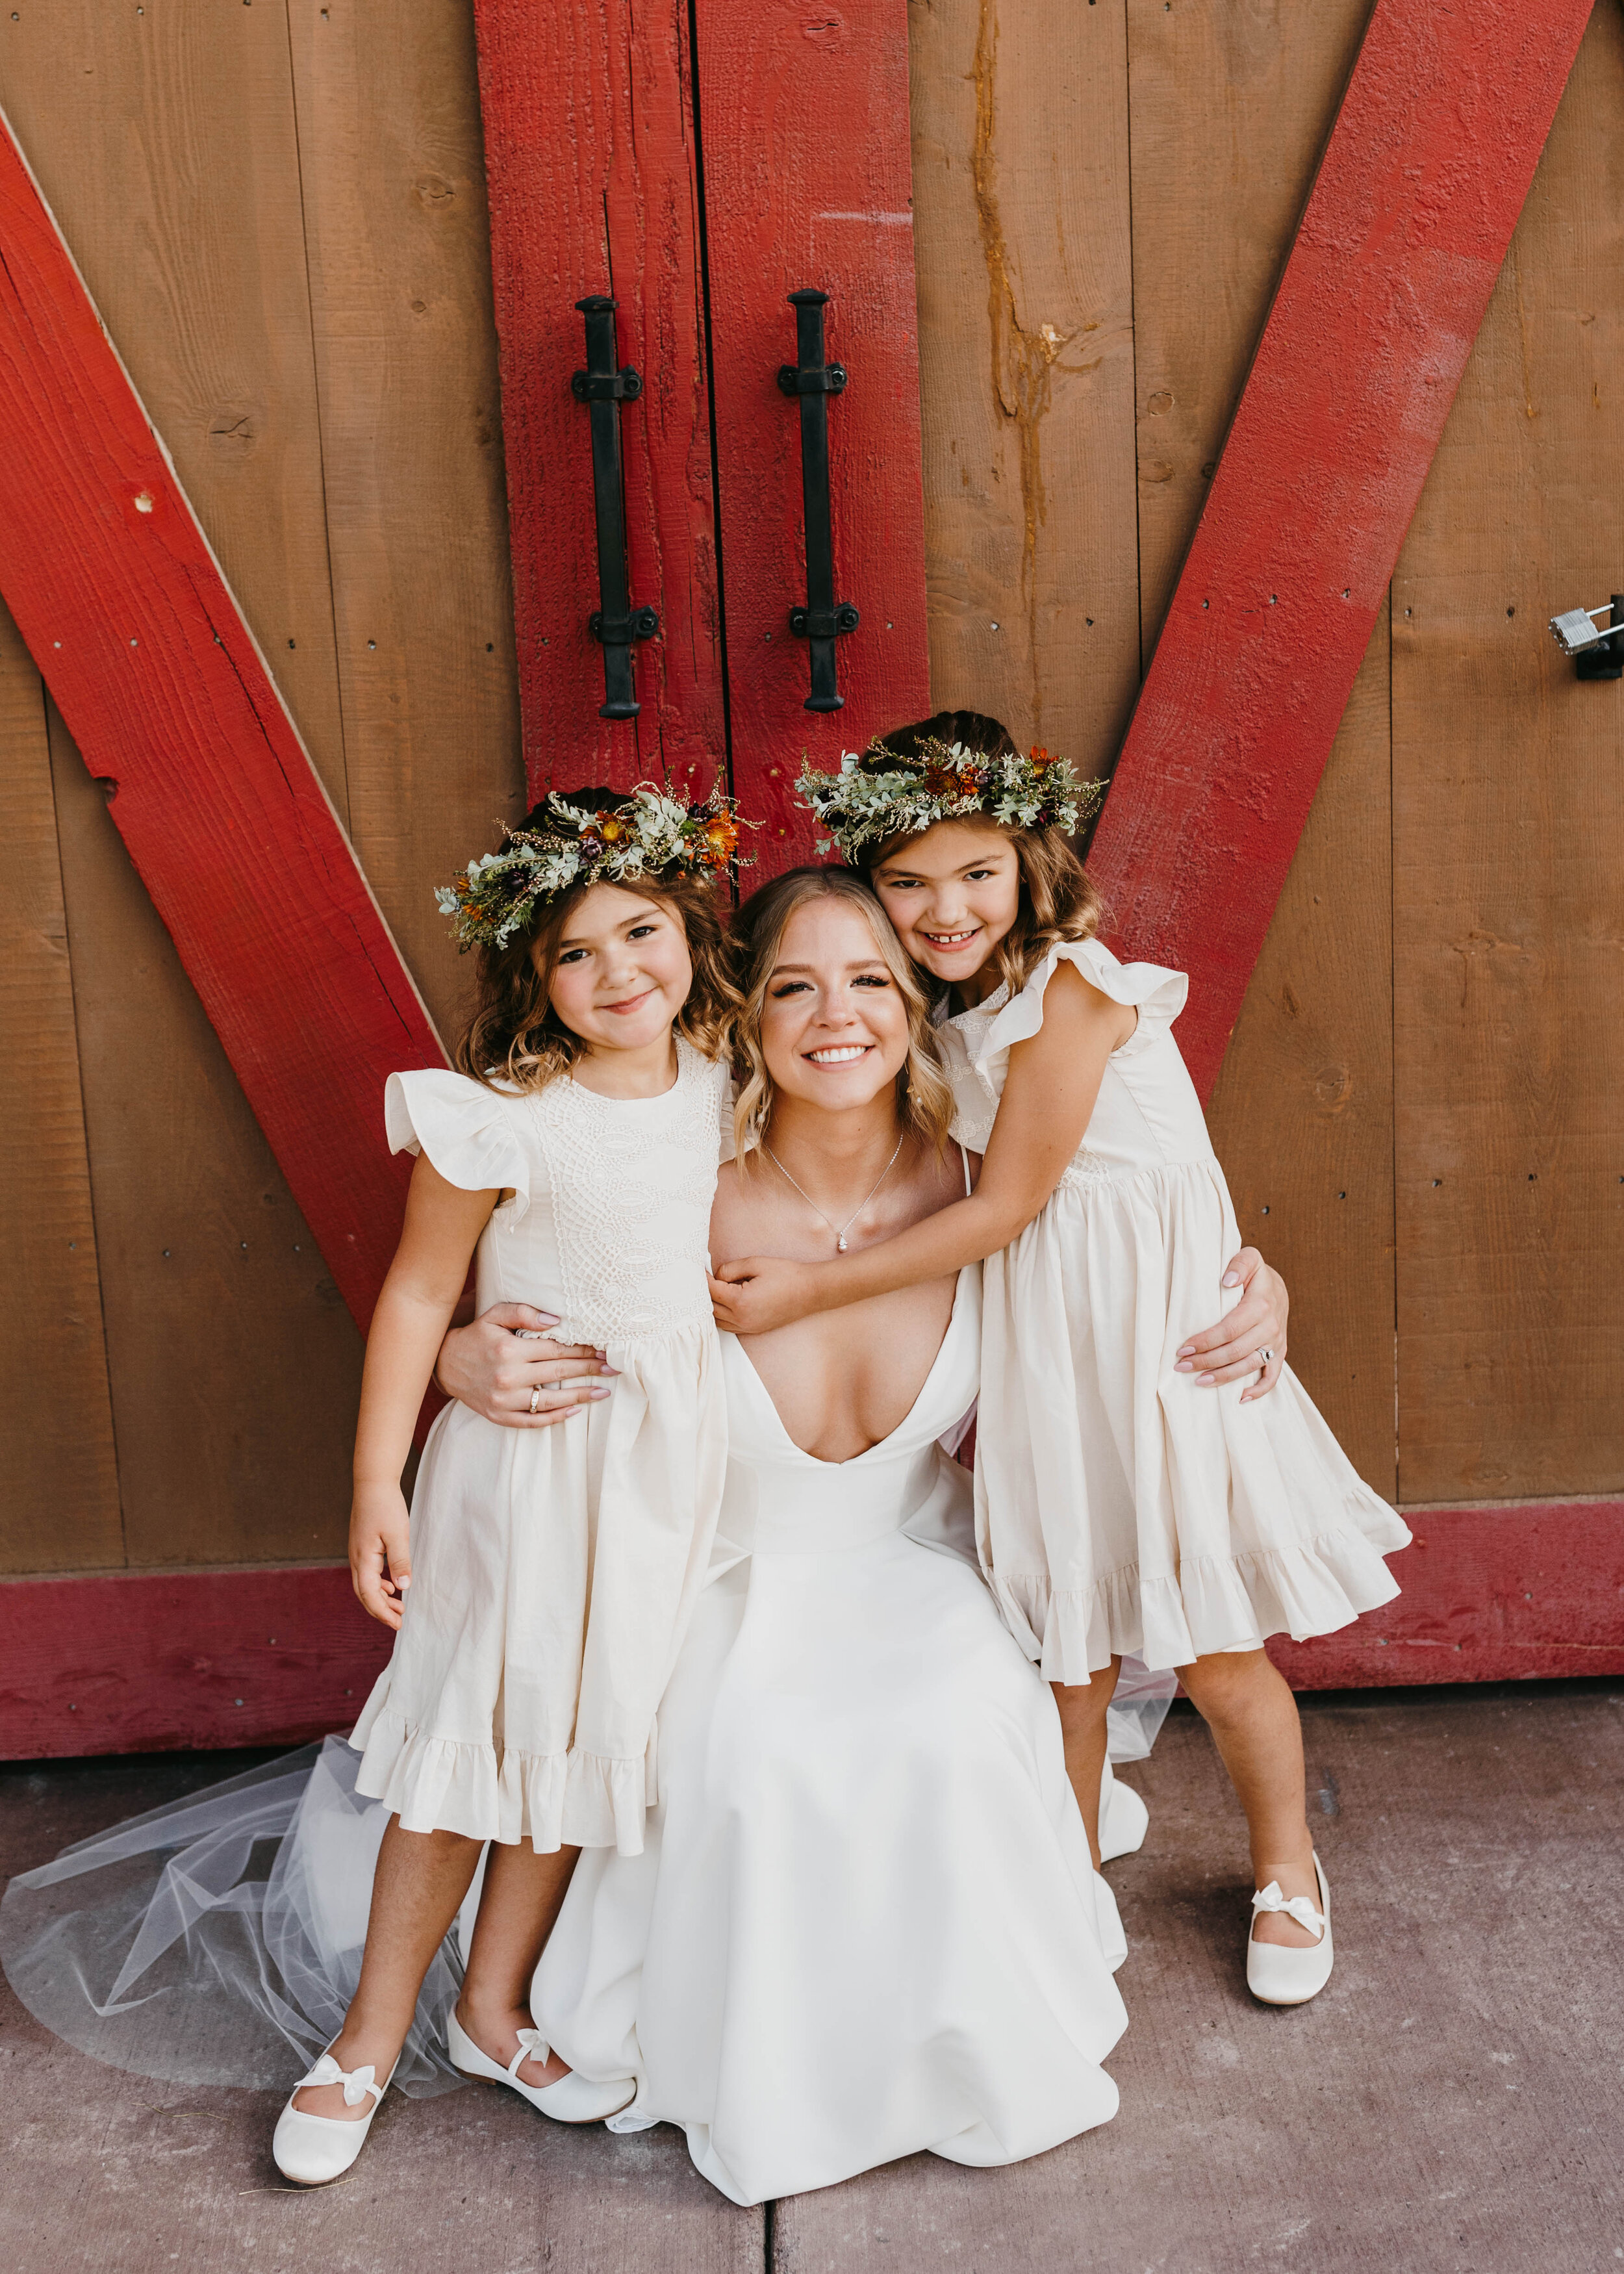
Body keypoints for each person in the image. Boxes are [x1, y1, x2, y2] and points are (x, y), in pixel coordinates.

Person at [708, 714, 1412, 2008]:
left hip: (1151, 1353)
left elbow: (1014, 1203)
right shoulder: (928, 1006)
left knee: (1211, 1649)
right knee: (1063, 1652)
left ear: (1032, 859)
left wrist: (809, 1285)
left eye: (975, 872)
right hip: (1048, 1355)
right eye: (907, 883)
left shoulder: (1074, 990)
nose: (941, 907)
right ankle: (1061, 1873)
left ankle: (1286, 1863)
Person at [513, 865, 1131, 2205]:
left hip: (912, 1560)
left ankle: (961, 2048)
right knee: (756, 1757)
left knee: (962, 1728)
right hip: (715, 1578)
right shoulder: (674, 1188)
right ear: (742, 1013)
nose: (833, 1013)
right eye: (791, 983)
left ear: (916, 1005)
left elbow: (1159, 1240)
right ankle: (771, 2073)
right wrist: (459, 1359)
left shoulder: (986, 1175)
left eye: (869, 980)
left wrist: (1256, 1291)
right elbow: (499, 1292)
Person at [272, 782, 746, 2183]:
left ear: (689, 931)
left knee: (582, 1738)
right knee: (473, 1746)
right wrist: (376, 1481)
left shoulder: (723, 1080)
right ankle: (367, 2037)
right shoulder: (498, 1119)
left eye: (642, 932)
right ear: (531, 979)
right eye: (577, 954)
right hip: (529, 1467)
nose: (619, 974)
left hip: (663, 1468)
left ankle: (493, 2006)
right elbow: (420, 1296)